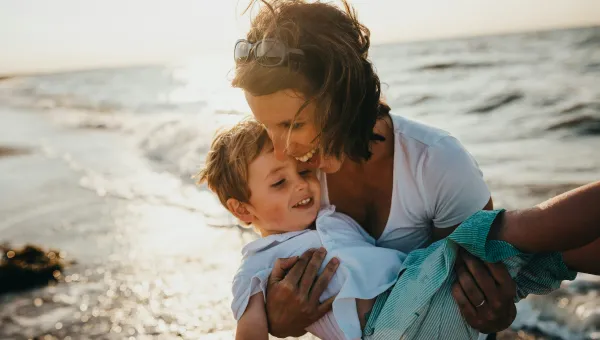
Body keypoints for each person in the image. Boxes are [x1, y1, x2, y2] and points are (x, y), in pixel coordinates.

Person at [231, 1, 513, 338]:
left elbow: (480, 293)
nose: (281, 149)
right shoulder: (293, 180)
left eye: (293, 124)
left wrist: (497, 311)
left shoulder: (435, 162)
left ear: (343, 98)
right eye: (266, 127)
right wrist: (280, 322)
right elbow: (279, 276)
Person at [197, 119, 600, 340]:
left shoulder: (331, 217)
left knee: (547, 254)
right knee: (510, 232)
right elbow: (249, 330)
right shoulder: (259, 263)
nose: (302, 184)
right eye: (279, 183)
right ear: (243, 209)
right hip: (392, 323)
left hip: (428, 305)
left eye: (303, 171)